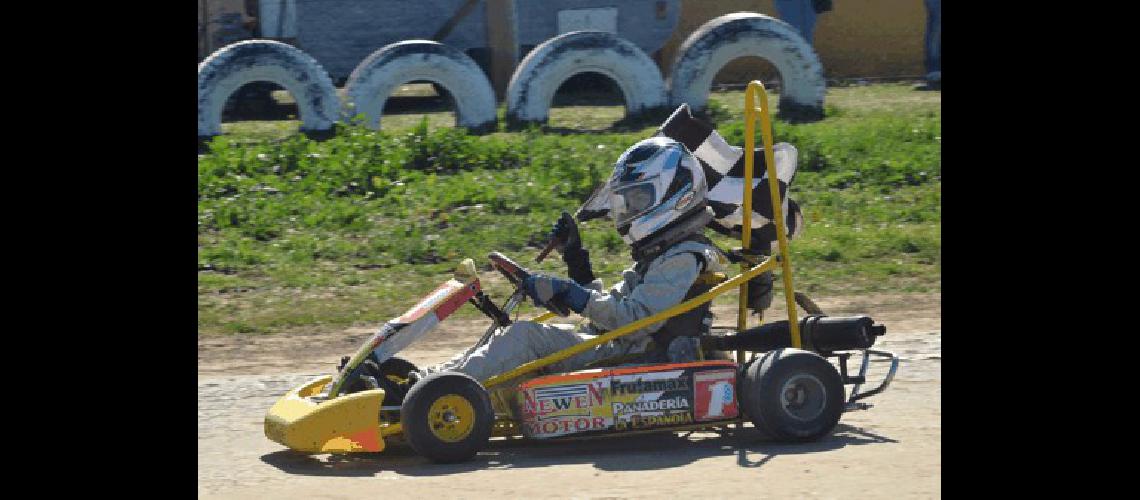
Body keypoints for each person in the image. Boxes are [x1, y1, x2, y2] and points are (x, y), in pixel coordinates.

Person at [416, 137, 729, 382]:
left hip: (632, 356)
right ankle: (433, 380)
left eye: (638, 200)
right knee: (517, 334)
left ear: (677, 195)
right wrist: (576, 261)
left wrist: (571, 293)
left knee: (526, 336)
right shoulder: (662, 253)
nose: (629, 209)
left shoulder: (683, 258)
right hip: (614, 344)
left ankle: (438, 388)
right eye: (628, 201)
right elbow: (607, 315)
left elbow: (633, 323)